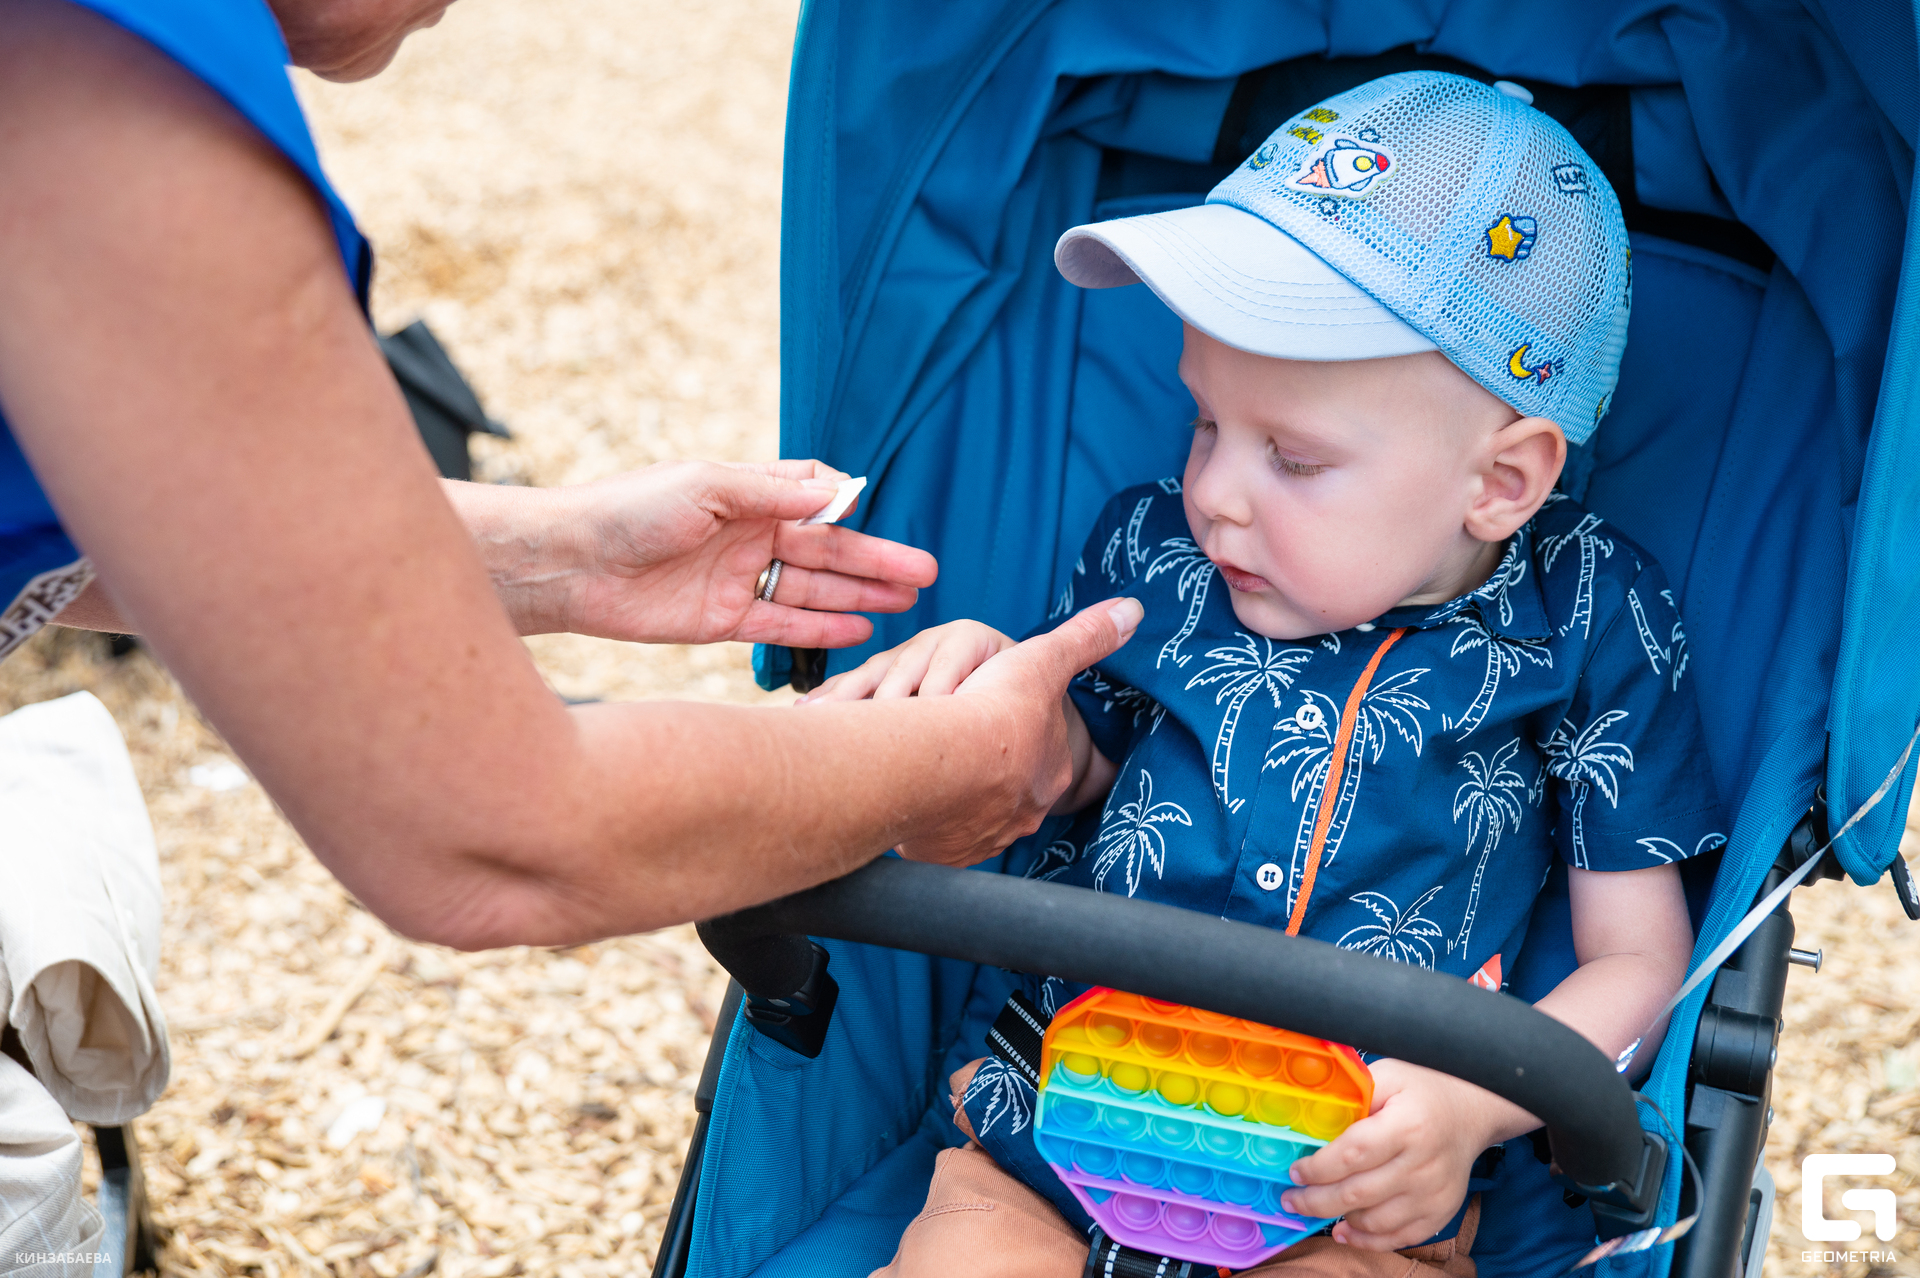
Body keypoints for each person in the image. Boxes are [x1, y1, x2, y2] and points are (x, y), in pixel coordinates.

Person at [806, 73, 1724, 1276]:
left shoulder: (1590, 617)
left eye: (1291, 456)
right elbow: (1069, 770)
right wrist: (986, 705)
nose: (1214, 494)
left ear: (1500, 483)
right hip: (1051, 1142)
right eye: (1203, 422)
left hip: (1345, 1198)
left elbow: (1637, 960)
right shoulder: (1153, 553)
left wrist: (1473, 1103)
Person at [0, 0, 1141, 952]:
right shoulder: (134, 92)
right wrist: (965, 759)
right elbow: (492, 833)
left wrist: (565, 556)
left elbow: (104, 512)